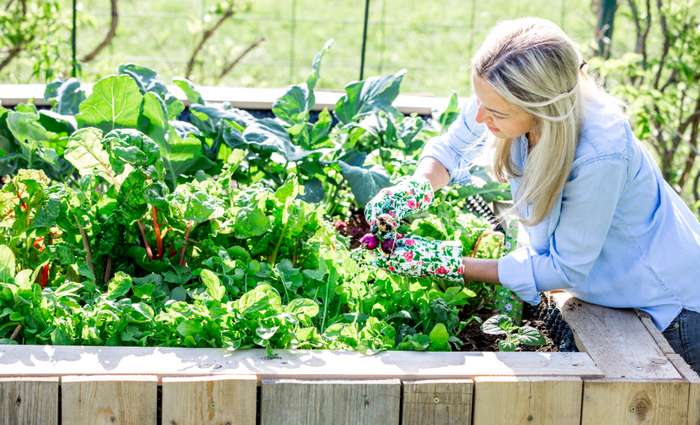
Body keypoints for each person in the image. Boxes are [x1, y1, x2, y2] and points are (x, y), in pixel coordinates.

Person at [363, 17, 700, 372]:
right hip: (615, 294)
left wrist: (450, 264)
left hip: (670, 313)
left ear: (541, 109)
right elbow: (452, 149)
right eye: (480, 101)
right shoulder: (499, 92)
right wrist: (415, 187)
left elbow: (564, 267)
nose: (480, 116)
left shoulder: (600, 153)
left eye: (494, 112)